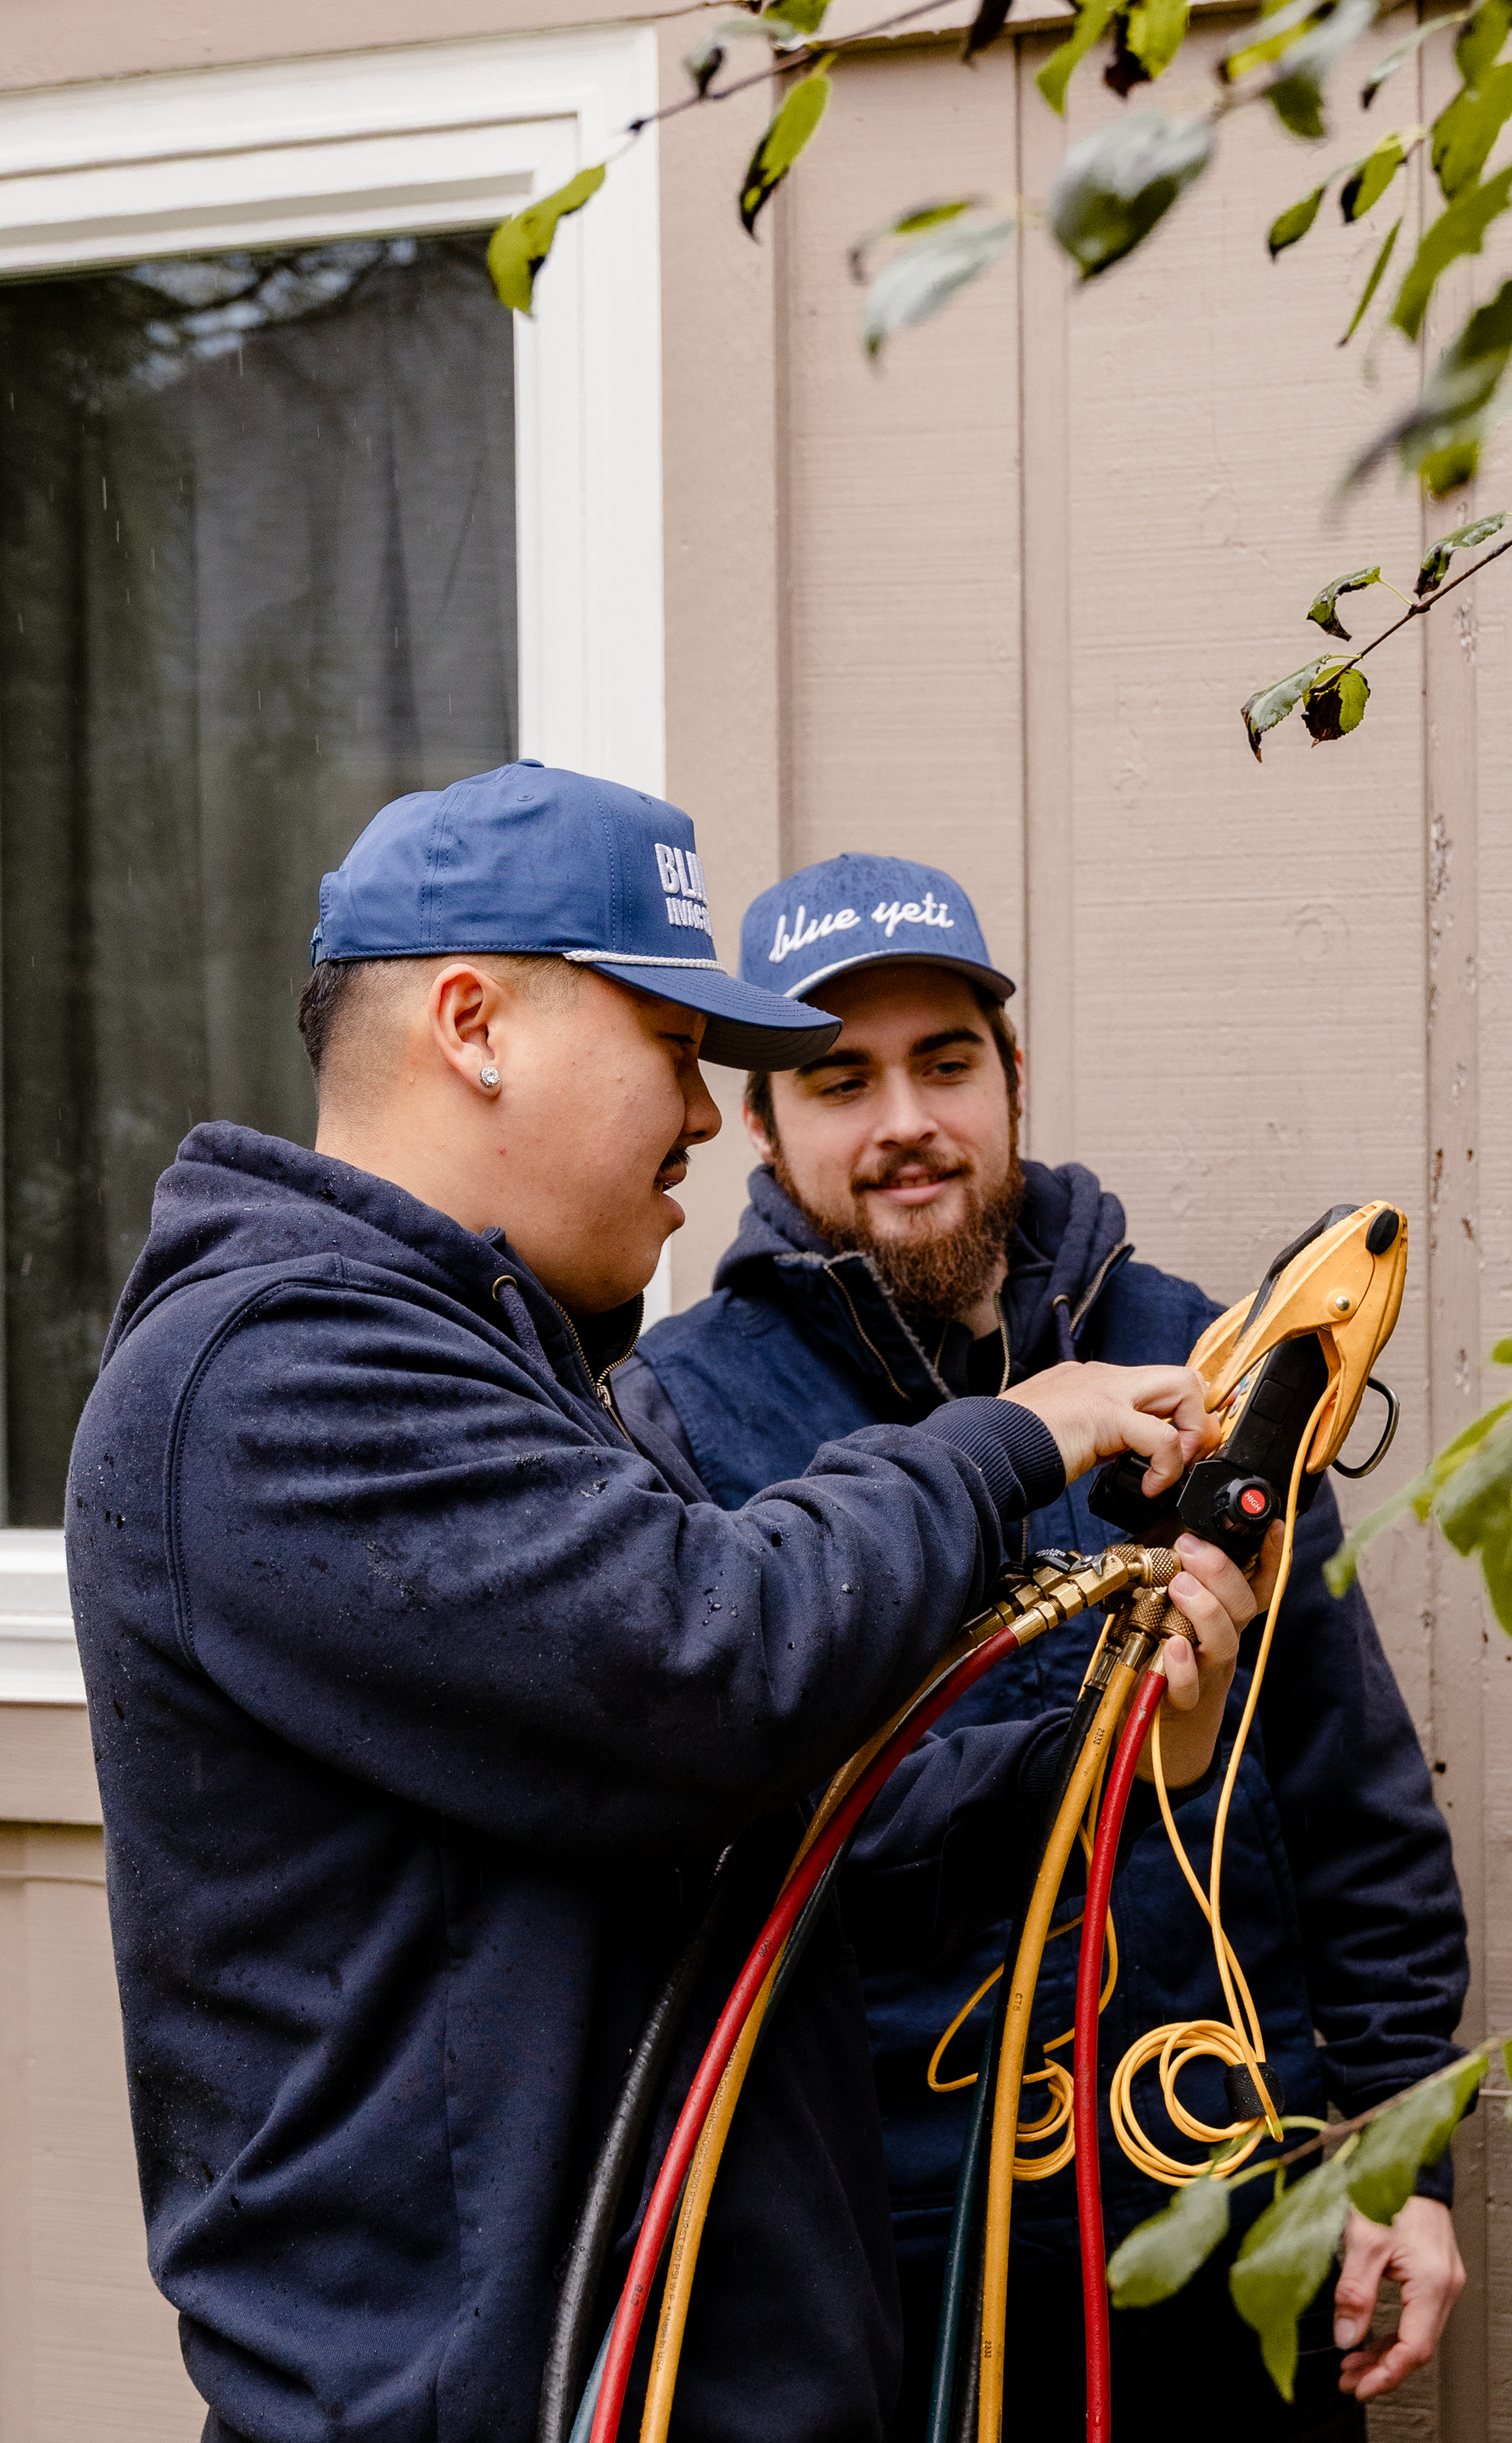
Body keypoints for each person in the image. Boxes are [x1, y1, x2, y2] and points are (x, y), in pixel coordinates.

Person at [65, 765, 1272, 2443]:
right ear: (474, 1021)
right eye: (673, 1047)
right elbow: (714, 1663)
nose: (710, 1119)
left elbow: (745, 1839)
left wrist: (1102, 1767)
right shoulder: (279, 1374)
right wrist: (1010, 1435)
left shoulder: (503, 1372)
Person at [619, 852, 1473, 2440]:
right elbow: (735, 1831)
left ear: (1014, 1076)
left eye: (946, 1063)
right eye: (838, 1079)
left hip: (1232, 2197)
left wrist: (1397, 2156)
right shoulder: (685, 1413)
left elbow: (1348, 1787)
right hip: (893, 2244)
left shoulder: (1200, 1344)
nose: (904, 1125)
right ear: (761, 1125)